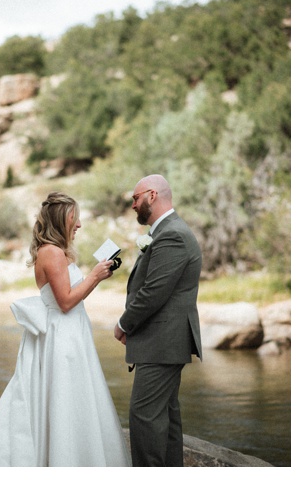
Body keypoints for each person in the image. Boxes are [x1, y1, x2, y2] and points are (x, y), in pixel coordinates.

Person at [0, 192, 128, 466]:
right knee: (63, 397)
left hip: (72, 333)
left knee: (73, 400)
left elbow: (70, 295)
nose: (78, 226)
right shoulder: (51, 252)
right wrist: (95, 276)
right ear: (61, 220)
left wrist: (96, 277)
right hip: (61, 337)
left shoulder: (57, 252)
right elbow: (65, 302)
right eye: (74, 219)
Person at [114, 175, 202, 466]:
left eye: (135, 198)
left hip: (162, 342)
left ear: (152, 195)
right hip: (164, 341)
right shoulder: (165, 231)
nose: (133, 205)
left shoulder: (172, 234)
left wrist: (125, 324)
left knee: (145, 419)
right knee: (166, 419)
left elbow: (154, 292)